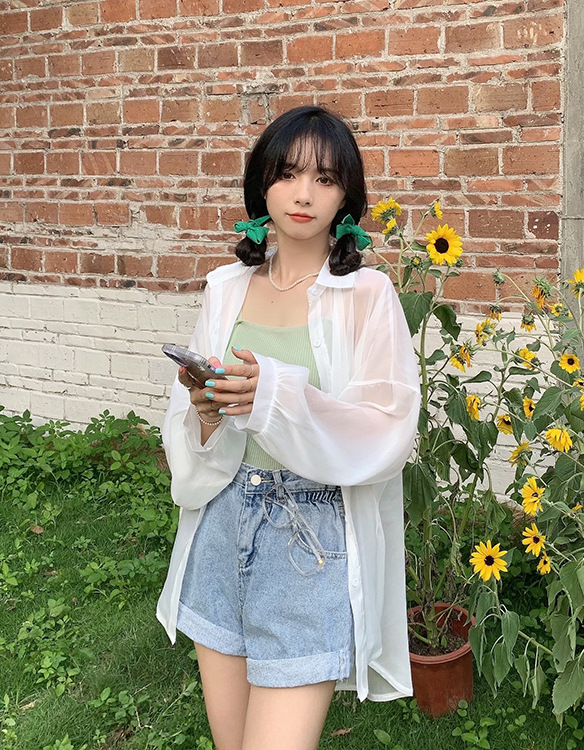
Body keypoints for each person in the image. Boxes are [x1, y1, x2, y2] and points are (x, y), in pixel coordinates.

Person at [155, 105, 420, 750]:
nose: (304, 195)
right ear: (262, 184)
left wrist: (273, 395)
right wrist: (208, 413)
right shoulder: (226, 287)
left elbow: (387, 430)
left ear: (346, 197)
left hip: (311, 538)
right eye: (288, 174)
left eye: (325, 179)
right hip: (222, 522)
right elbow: (190, 427)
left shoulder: (367, 296)